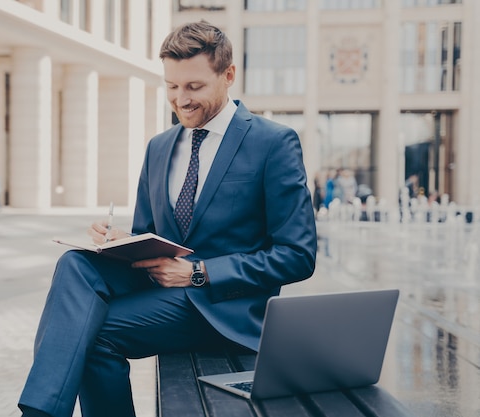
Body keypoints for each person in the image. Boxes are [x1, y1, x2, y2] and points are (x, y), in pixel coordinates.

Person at [18, 21, 317, 417]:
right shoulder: (159, 147)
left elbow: (297, 254)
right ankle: (39, 413)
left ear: (228, 76)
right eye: (172, 87)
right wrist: (121, 242)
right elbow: (150, 236)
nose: (181, 100)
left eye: (194, 87)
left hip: (222, 308)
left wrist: (198, 272)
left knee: (92, 336)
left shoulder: (273, 143)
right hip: (162, 290)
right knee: (75, 262)